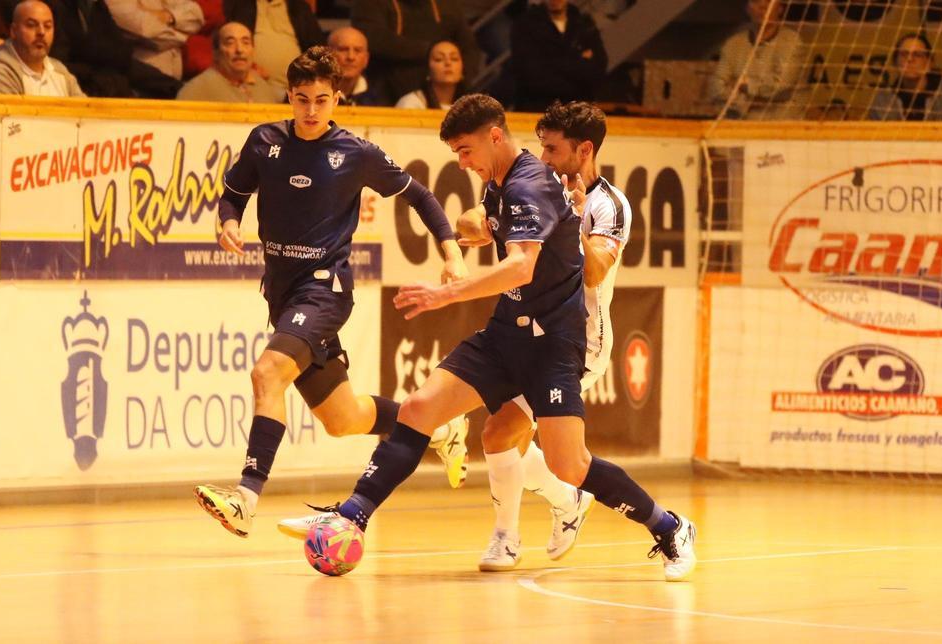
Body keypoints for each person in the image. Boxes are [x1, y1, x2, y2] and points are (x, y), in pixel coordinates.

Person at [285, 94, 698, 582]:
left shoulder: (530, 184)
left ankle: (670, 527)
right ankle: (352, 515)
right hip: (507, 334)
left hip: (553, 344)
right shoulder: (502, 184)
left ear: (494, 137)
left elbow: (522, 267)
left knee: (571, 464)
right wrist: (477, 226)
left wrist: (446, 294)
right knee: (419, 409)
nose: (462, 162)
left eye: (465, 150)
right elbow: (482, 225)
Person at [193, 46, 470, 539]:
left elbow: (421, 196)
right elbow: (233, 195)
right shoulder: (264, 141)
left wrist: (451, 253)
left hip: (325, 291)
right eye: (302, 99)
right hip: (282, 295)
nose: (311, 110)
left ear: (337, 99)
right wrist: (228, 222)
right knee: (343, 418)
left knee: (267, 373)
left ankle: (245, 499)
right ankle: (440, 429)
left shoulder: (356, 153)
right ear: (289, 96)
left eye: (322, 100)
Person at [447, 100, 633, 571]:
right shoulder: (532, 183)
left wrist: (569, 218)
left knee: (507, 434)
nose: (543, 157)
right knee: (499, 435)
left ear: (584, 150)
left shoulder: (608, 204)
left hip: (578, 339)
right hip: (531, 331)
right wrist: (481, 223)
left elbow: (595, 272)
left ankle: (519, 530)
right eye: (541, 147)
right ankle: (561, 505)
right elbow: (476, 223)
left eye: (552, 149)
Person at [352, 0, 481, 102]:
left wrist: (463, 80)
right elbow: (374, 39)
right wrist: (429, 50)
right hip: (385, 92)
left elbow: (469, 48)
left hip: (443, 96)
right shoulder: (371, 3)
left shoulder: (447, 5)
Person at [709, 0, 805, 119]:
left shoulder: (791, 42)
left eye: (768, 1)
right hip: (741, 124)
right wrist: (747, 102)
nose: (762, 6)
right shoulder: (733, 44)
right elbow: (716, 87)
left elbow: (779, 86)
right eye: (756, 1)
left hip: (780, 125)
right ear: (747, 8)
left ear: (780, 8)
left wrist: (744, 84)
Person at [510, 0, 606, 112]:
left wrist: (553, 63)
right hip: (538, 108)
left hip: (578, 110)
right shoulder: (525, 25)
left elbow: (598, 68)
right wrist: (578, 60)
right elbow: (531, 74)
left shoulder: (584, 23)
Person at [0, 0, 84, 96]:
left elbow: (85, 107)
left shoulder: (60, 70)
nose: (41, 32)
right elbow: (9, 110)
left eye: (47, 26)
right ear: (13, 31)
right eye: (31, 25)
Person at [222, 0, 324, 87]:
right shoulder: (239, 6)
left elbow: (318, 51)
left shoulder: (300, 8)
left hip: (296, 90)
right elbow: (228, 44)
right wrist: (250, 68)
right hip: (253, 87)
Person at [177, 22, 285, 102]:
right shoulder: (195, 91)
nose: (239, 50)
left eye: (245, 42)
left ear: (253, 50)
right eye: (230, 43)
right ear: (216, 52)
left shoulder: (264, 88)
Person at [867, 33, 942, 121]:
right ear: (895, 62)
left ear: (929, 63)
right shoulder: (884, 99)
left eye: (917, 55)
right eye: (904, 54)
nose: (909, 59)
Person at [103, 0, 204, 81]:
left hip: (173, 80)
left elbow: (196, 15)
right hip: (141, 82)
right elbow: (145, 31)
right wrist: (182, 31)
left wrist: (170, 16)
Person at [394, 39, 466, 110]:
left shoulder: (468, 106)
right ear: (428, 69)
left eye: (454, 59)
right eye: (439, 59)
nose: (448, 63)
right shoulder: (411, 103)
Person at [329, 26, 387, 106]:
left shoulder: (381, 98)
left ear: (366, 59)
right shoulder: (315, 93)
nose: (351, 57)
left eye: (357, 50)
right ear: (329, 55)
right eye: (343, 49)